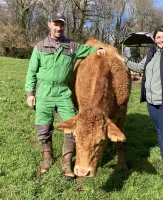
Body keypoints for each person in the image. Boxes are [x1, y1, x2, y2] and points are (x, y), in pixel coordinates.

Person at [25, 12, 106, 178]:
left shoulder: (72, 46)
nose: (58, 28)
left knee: (73, 128)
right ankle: (47, 159)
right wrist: (30, 93)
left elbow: (89, 50)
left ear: (64, 26)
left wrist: (101, 50)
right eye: (56, 24)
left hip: (63, 92)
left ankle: (66, 162)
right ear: (49, 24)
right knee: (43, 127)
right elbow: (31, 71)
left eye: (61, 24)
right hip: (44, 91)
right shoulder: (40, 47)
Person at [116, 26, 163, 180]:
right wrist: (120, 58)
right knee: (160, 132)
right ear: (154, 39)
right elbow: (139, 67)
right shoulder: (152, 53)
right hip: (152, 102)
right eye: (158, 37)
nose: (161, 40)